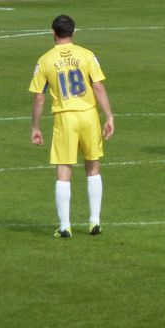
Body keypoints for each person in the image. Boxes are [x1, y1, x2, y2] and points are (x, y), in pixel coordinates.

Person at [29, 14, 114, 237]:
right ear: (74, 32)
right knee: (93, 166)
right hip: (88, 115)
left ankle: (65, 226)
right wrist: (109, 116)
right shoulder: (87, 55)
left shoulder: (45, 60)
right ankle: (94, 221)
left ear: (53, 32)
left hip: (65, 118)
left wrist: (35, 127)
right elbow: (98, 87)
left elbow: (39, 97)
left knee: (64, 169)